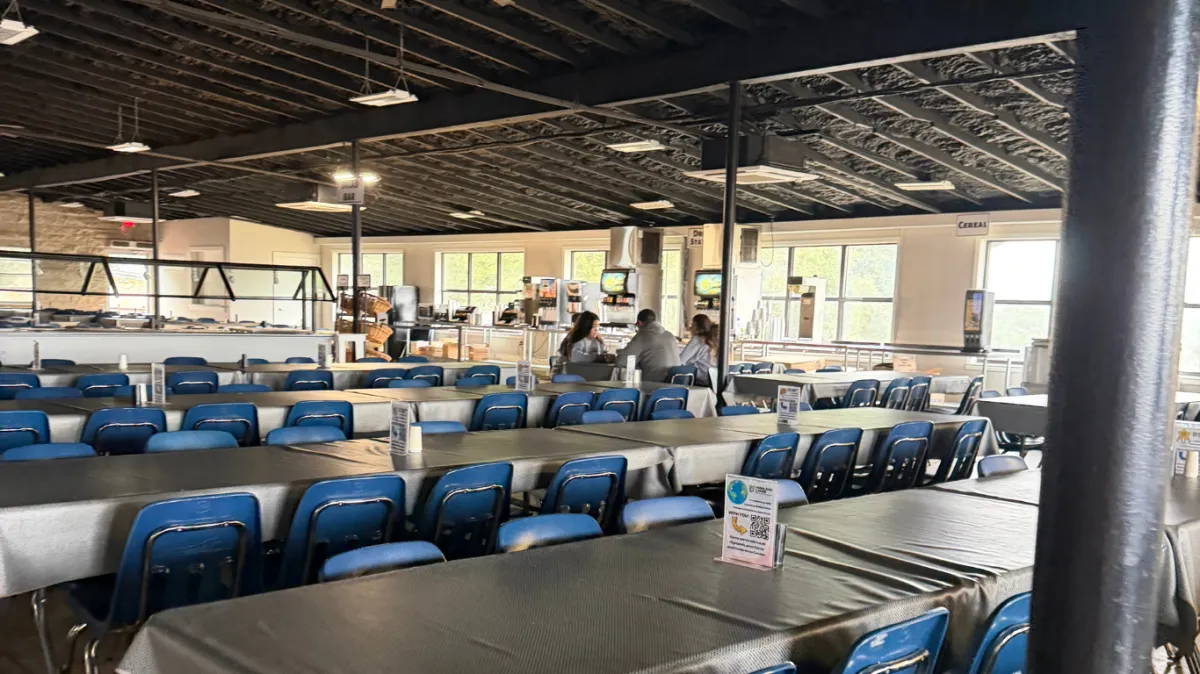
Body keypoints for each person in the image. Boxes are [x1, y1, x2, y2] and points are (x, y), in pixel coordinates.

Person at [615, 309, 681, 383]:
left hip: (655, 384)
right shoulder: (670, 335)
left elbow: (621, 361)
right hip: (677, 384)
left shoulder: (643, 336)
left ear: (639, 323)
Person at [678, 314, 717, 386]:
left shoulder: (698, 340)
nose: (690, 328)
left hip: (701, 382)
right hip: (714, 381)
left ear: (696, 326)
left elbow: (680, 360)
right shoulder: (713, 339)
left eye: (692, 325)